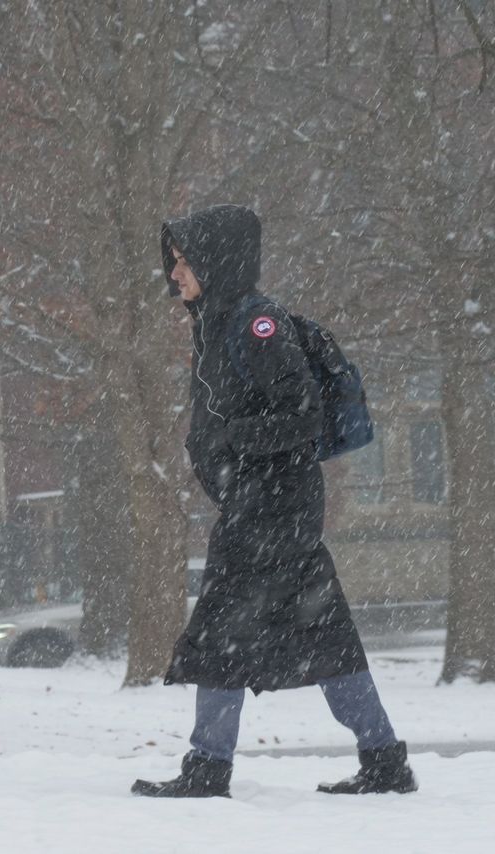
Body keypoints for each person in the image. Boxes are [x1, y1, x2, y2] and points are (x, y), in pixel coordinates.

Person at [131, 204, 417, 799]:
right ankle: (385, 760)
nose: (174, 275)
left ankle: (208, 768)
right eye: (174, 263)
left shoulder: (255, 325)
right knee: (324, 633)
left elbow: (303, 415)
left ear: (216, 261)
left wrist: (235, 442)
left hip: (269, 511)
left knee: (219, 634)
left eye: (184, 263)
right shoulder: (218, 322)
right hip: (271, 509)